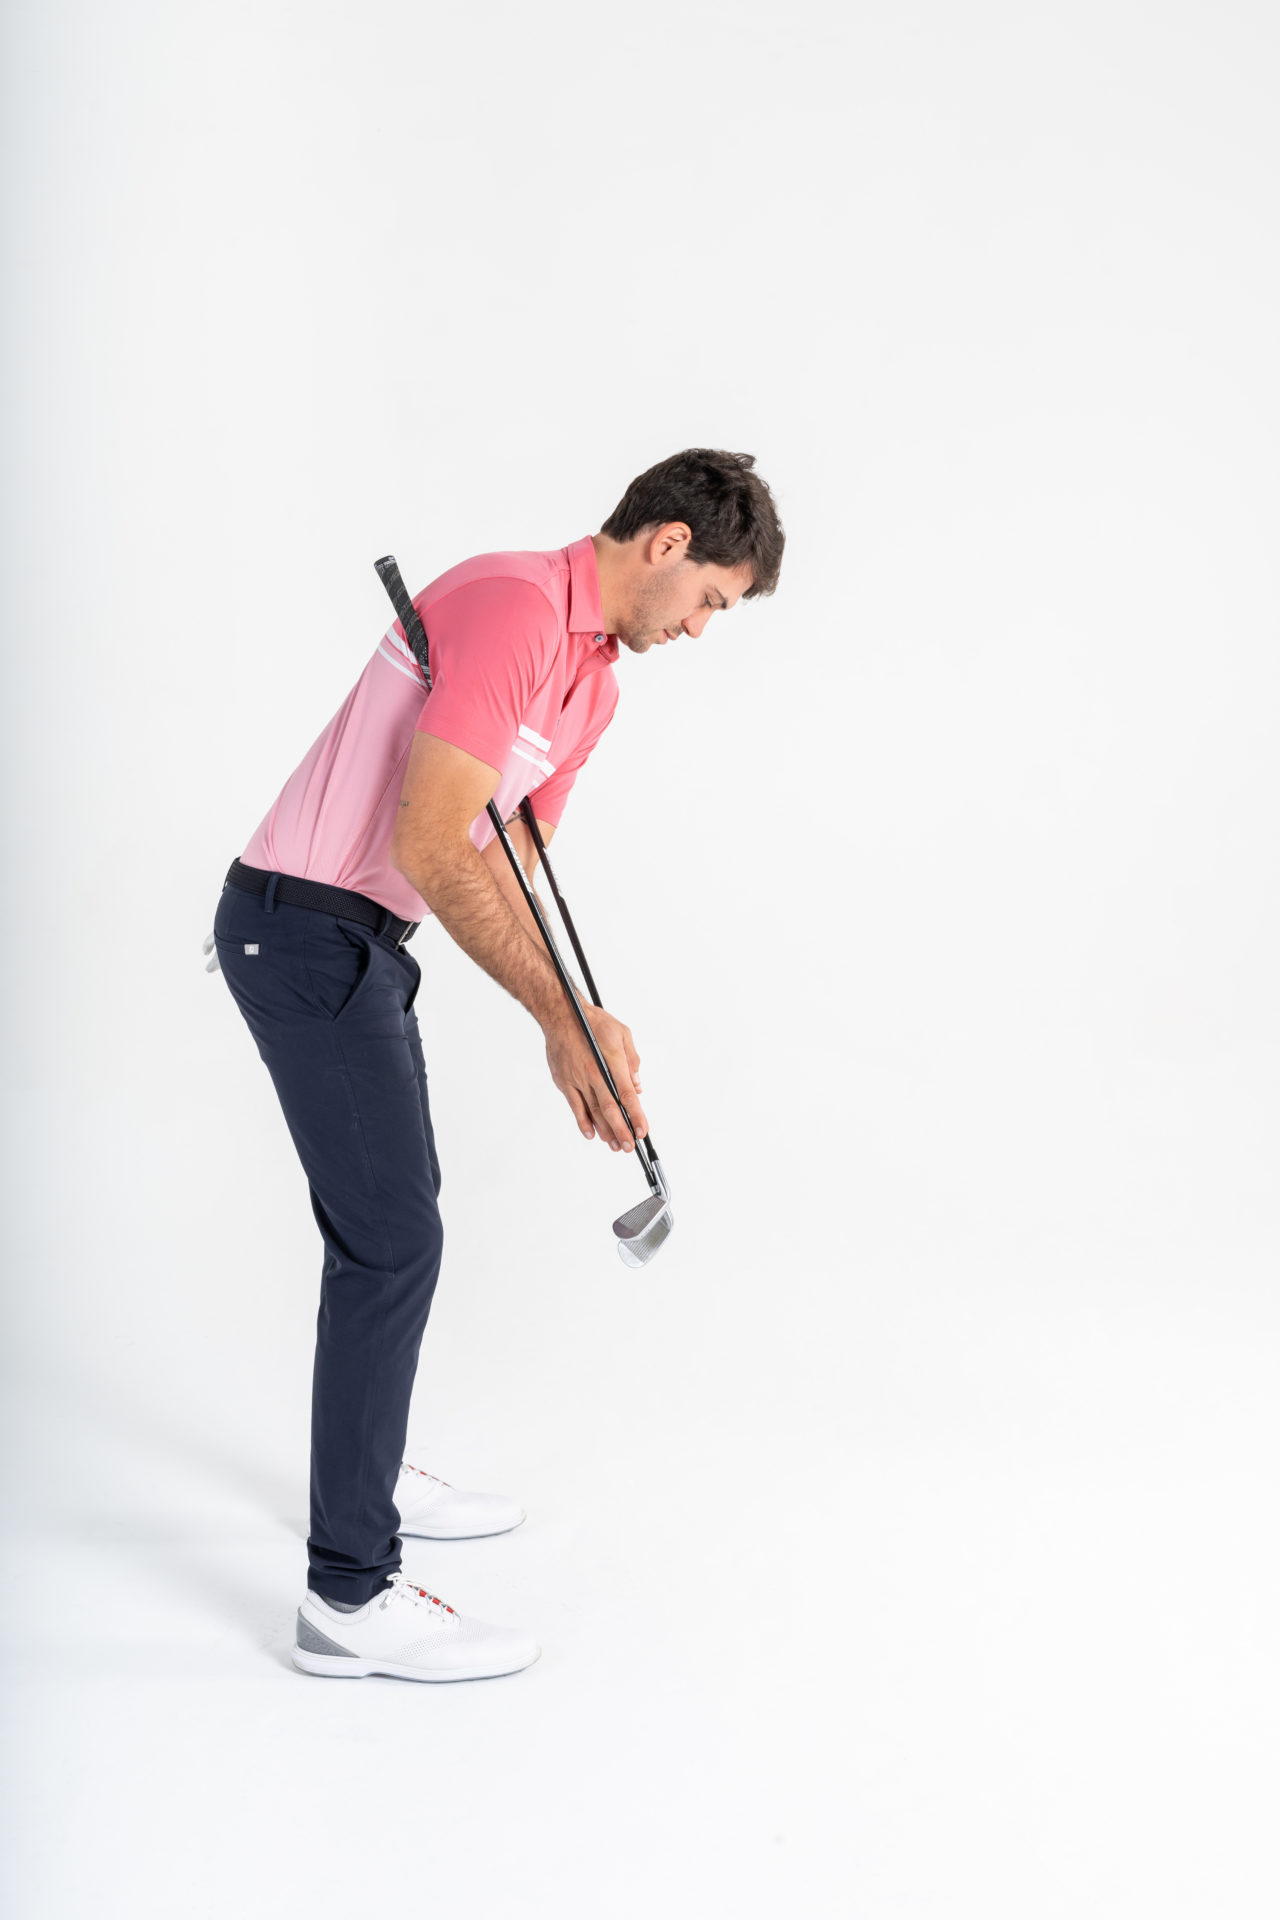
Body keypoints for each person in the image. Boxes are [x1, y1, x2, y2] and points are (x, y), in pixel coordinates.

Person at [205, 447, 785, 1683]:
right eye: (710, 601)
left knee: (393, 1226)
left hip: (367, 942)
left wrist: (578, 1012)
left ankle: (367, 1468)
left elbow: (503, 863)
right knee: (392, 1241)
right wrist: (556, 1020)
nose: (699, 630)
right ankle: (346, 1598)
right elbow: (428, 840)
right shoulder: (511, 602)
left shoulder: (594, 687)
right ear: (668, 544)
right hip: (298, 928)